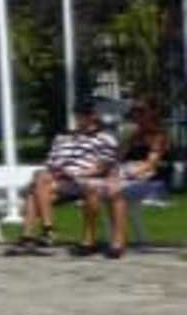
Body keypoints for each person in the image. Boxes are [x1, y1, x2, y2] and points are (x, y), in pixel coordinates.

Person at [9, 100, 123, 254]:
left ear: (94, 116)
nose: (80, 117)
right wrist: (57, 171)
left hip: (84, 181)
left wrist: (75, 173)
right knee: (38, 181)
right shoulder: (63, 137)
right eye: (78, 114)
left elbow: (103, 167)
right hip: (59, 181)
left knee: (37, 185)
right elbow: (51, 162)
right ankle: (38, 234)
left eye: (85, 114)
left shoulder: (105, 138)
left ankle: (38, 234)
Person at [85, 104, 172, 261]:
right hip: (127, 175)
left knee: (116, 192)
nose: (136, 118)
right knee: (91, 188)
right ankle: (89, 240)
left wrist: (126, 175)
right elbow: (118, 159)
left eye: (140, 114)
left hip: (151, 182)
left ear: (150, 115)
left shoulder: (159, 136)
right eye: (134, 115)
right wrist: (112, 172)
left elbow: (150, 165)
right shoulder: (133, 136)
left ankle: (119, 242)